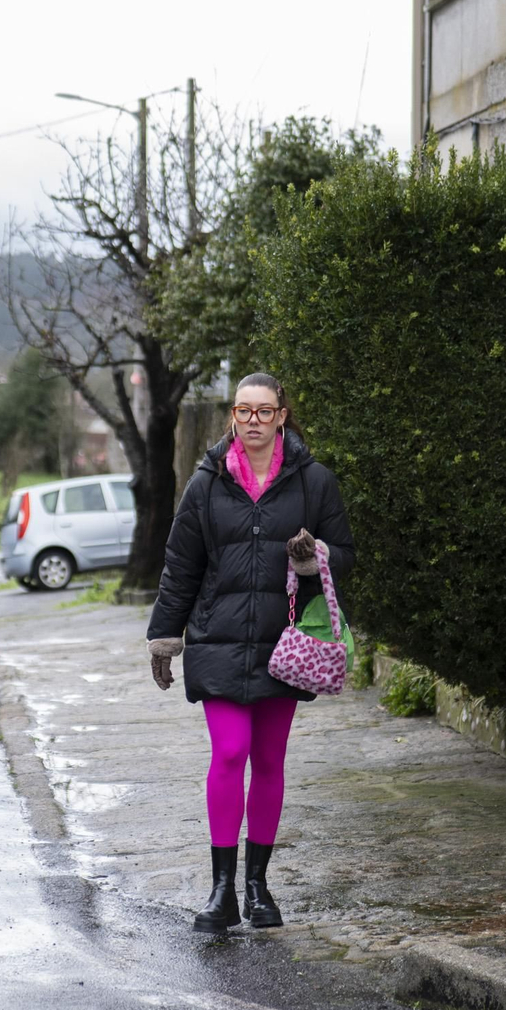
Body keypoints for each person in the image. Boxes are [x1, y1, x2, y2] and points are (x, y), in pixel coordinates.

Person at [146, 372, 355, 933]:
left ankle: (258, 887)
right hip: (216, 637)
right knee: (231, 750)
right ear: (232, 417)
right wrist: (165, 635)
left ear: (282, 415)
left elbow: (349, 557)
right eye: (244, 411)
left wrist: (316, 560)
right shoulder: (207, 485)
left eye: (265, 411)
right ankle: (221, 891)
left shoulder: (314, 483)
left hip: (282, 644)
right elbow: (180, 564)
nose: (254, 420)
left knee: (268, 760)